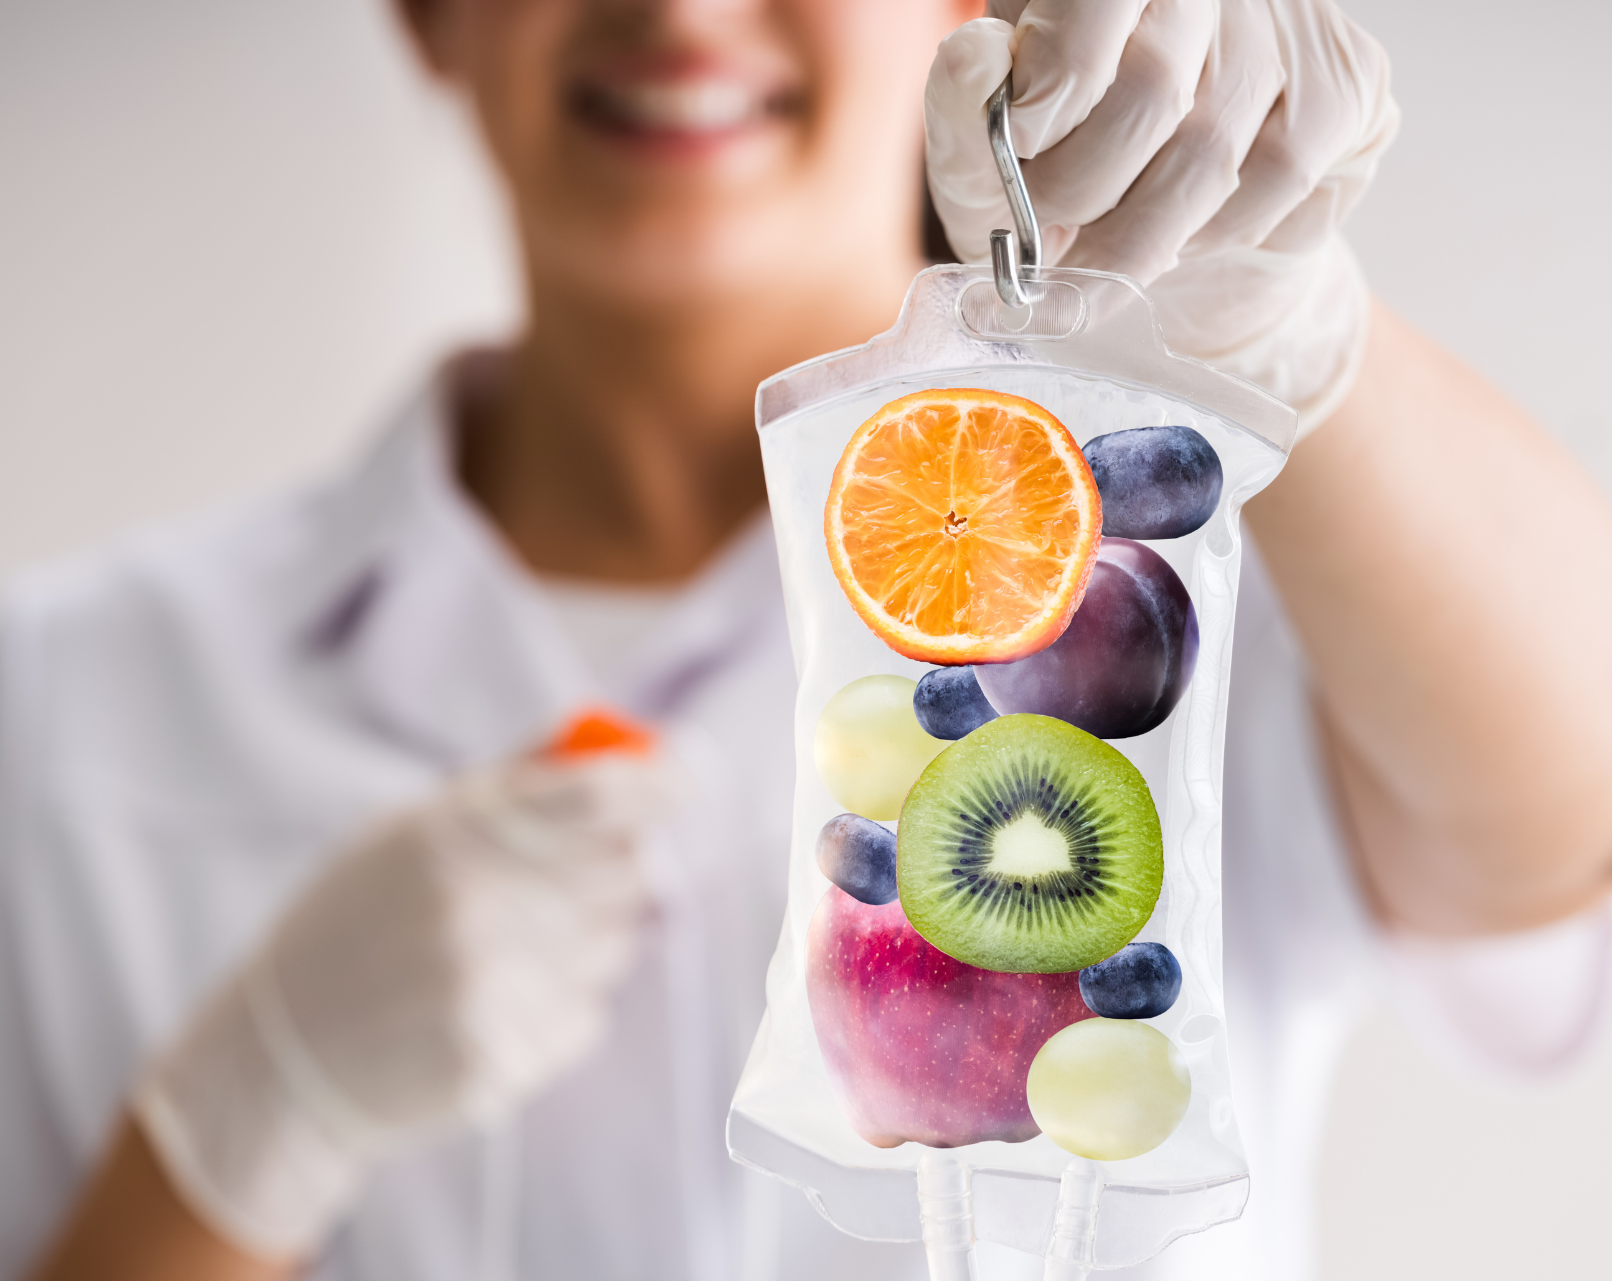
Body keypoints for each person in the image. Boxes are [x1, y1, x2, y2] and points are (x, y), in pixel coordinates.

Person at [6, 0, 1612, 1278]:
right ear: (430, 15)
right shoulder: (66, 705)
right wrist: (229, 1141)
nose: (682, 7)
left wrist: (1306, 339)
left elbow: (1565, 823)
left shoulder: (1185, 593)